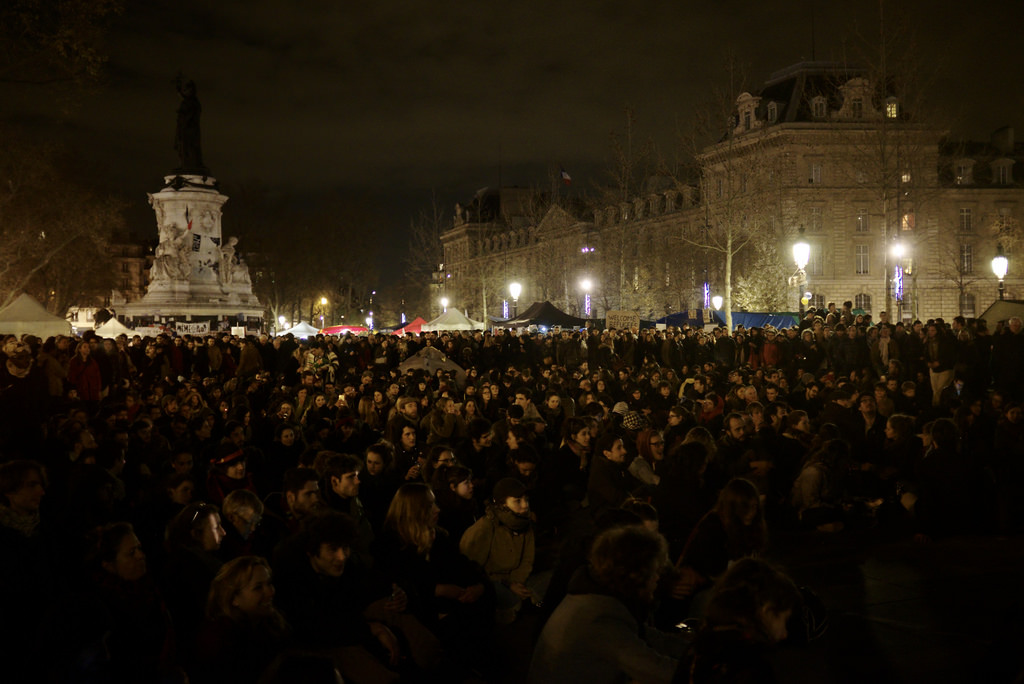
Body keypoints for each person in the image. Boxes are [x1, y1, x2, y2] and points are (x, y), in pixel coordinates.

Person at [530, 524, 683, 684]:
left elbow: (649, 637)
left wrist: (693, 650)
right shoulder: (599, 618)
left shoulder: (594, 599)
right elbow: (657, 670)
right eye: (654, 571)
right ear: (636, 574)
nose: (657, 578)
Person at [685, 558, 803, 683]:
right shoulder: (752, 668)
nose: (785, 634)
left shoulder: (697, 648)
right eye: (784, 620)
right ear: (767, 611)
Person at [193, 556, 290, 684]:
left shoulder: (272, 624)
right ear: (233, 598)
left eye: (269, 583)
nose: (270, 592)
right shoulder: (219, 641)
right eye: (258, 587)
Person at [460, 477, 540, 624]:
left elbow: (527, 559)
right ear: (502, 504)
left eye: (526, 500)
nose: (525, 506)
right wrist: (507, 584)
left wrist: (517, 582)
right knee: (514, 602)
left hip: (514, 579)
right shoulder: (485, 528)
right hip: (489, 582)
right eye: (517, 501)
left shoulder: (524, 523)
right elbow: (472, 569)